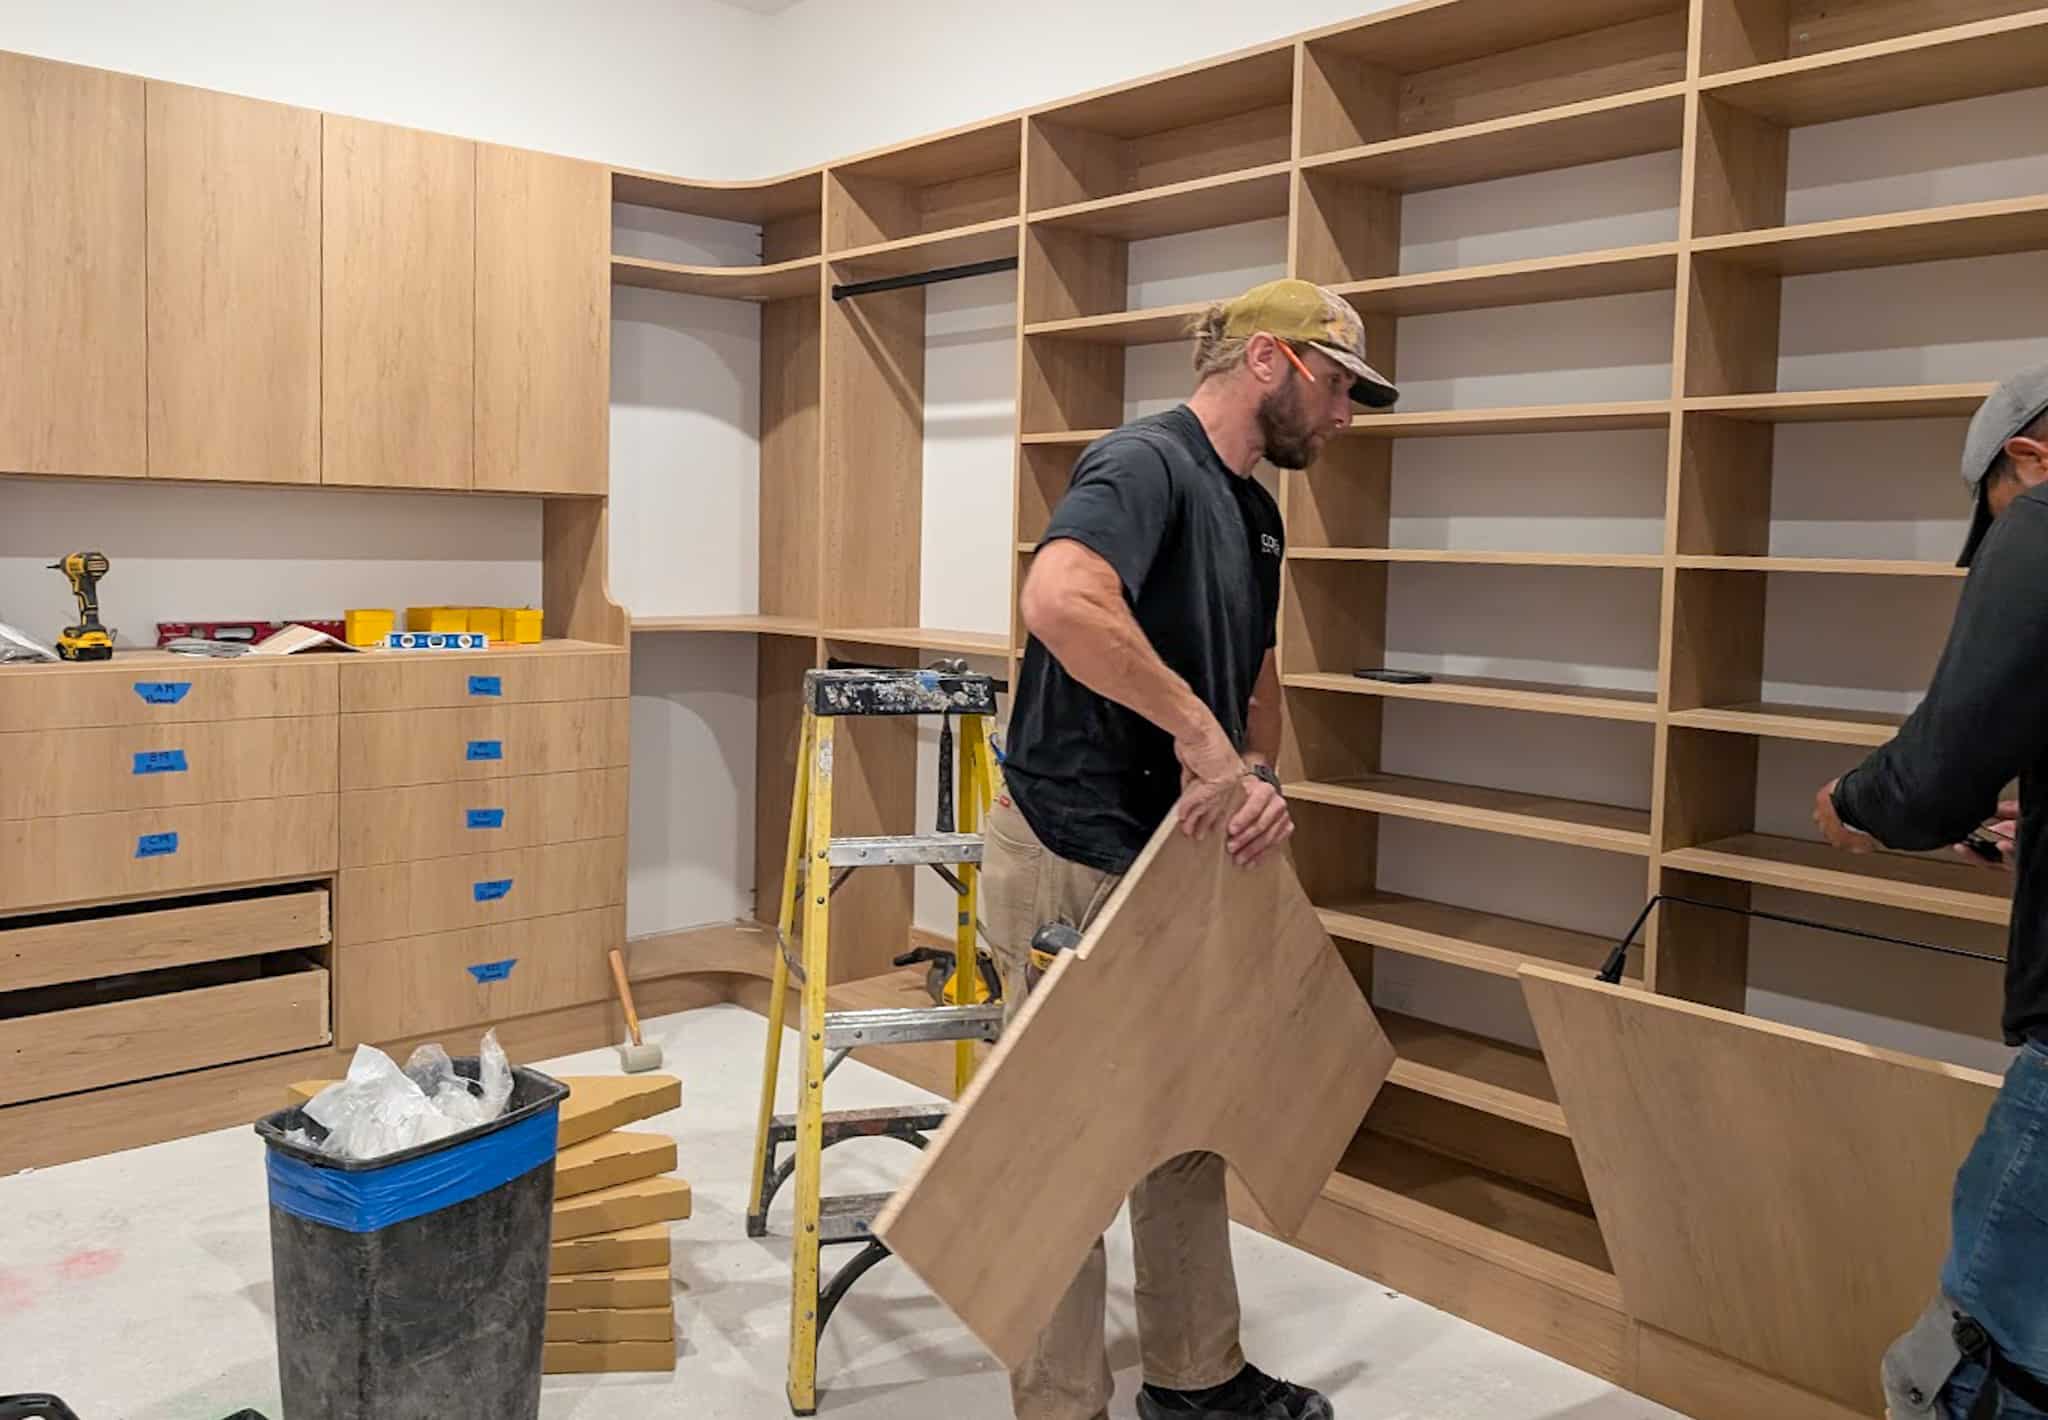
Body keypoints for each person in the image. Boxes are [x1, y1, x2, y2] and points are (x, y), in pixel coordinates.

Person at [979, 277, 1396, 1420]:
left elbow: (1255, 678)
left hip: (1169, 860)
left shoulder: (1254, 511)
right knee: (1060, 1147)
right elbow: (1059, 598)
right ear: (1269, 360)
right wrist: (1203, 738)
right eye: (1337, 386)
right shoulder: (1142, 464)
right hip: (1069, 846)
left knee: (1184, 1118)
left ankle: (1194, 1378)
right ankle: (1062, 1402)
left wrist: (1255, 778)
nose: (1347, 415)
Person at [1809, 364, 2048, 1420]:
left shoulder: (2043, 519)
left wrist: (1856, 803)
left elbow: (1936, 768)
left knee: (1965, 1368)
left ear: (2026, 460)